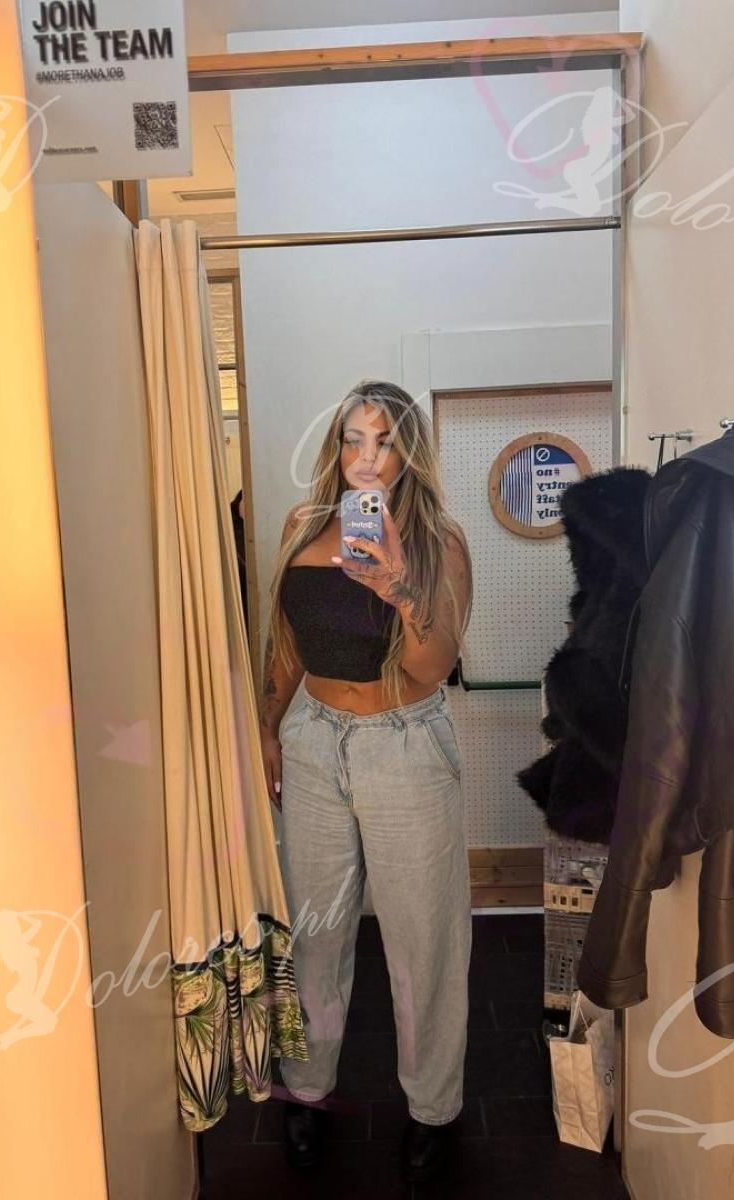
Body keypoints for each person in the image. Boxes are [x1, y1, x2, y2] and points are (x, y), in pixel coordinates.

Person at [258, 380, 474, 1184]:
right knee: (315, 933)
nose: (368, 458)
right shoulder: (302, 524)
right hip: (314, 740)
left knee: (424, 940)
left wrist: (396, 587)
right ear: (337, 446)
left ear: (409, 453)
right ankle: (306, 1090)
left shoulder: (437, 541)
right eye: (354, 439)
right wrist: (267, 725)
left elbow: (432, 666)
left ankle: (434, 1109)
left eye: (385, 442)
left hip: (404, 743)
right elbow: (288, 641)